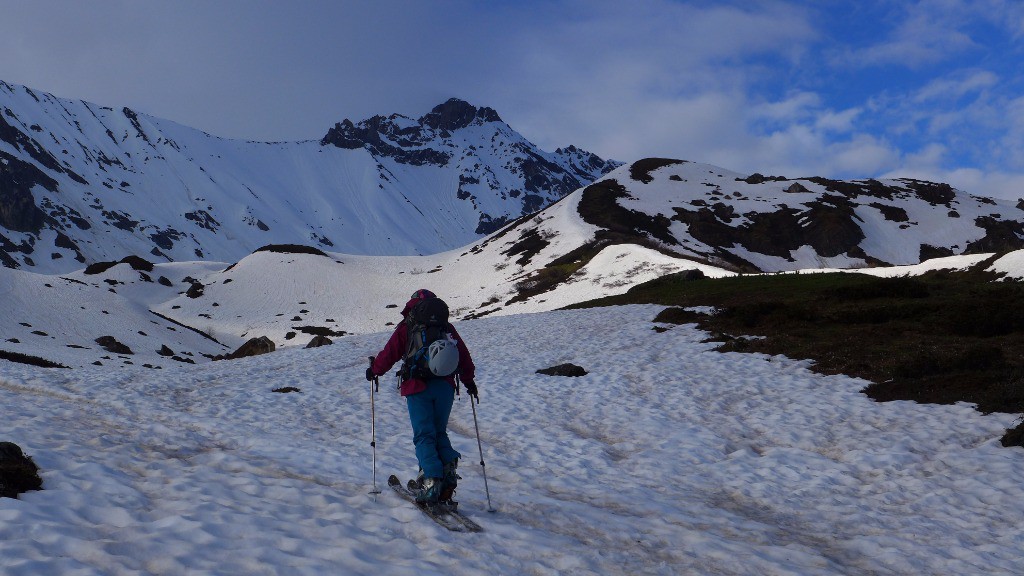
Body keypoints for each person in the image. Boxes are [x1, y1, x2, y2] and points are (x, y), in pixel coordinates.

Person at [366, 289, 477, 503]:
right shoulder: (446, 327)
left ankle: (431, 482)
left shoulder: (408, 326)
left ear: (413, 305)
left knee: (424, 435)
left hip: (418, 387)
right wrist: (469, 381)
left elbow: (390, 353)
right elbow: (463, 355)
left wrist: (375, 371)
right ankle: (448, 474)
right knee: (439, 433)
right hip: (445, 387)